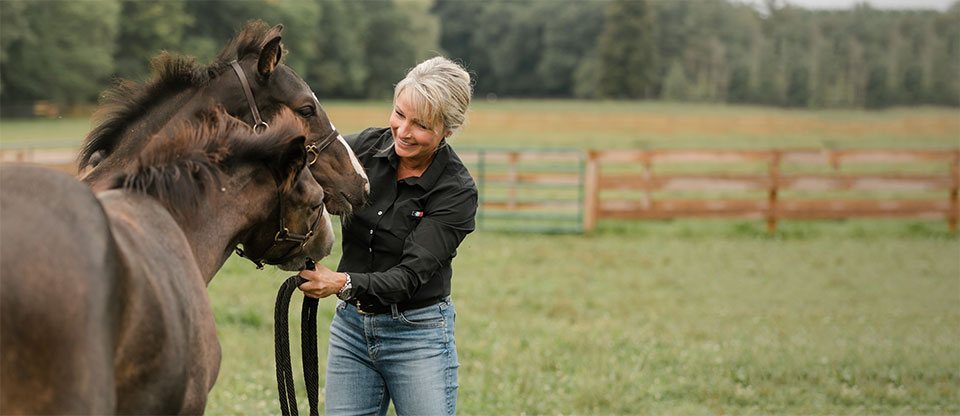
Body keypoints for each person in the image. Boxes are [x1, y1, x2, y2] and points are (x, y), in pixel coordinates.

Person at [296, 56, 476, 416]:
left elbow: (409, 277)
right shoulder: (362, 149)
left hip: (418, 334)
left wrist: (341, 283)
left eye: (421, 125)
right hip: (351, 330)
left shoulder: (456, 191)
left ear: (448, 130)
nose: (403, 131)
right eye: (399, 114)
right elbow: (300, 162)